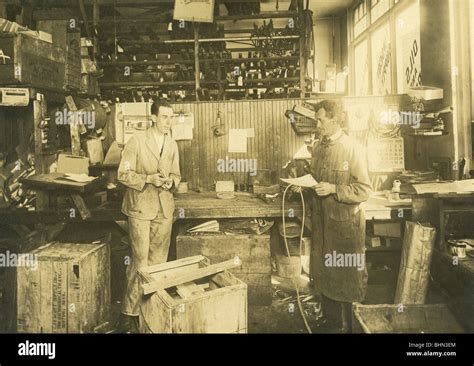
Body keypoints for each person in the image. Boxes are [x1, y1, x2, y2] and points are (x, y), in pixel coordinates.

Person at [117, 99, 181, 332]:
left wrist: (170, 182)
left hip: (164, 208)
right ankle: (128, 314)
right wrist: (148, 179)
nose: (168, 121)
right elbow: (123, 174)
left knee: (158, 263)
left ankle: (149, 312)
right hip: (141, 208)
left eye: (171, 117)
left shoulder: (172, 144)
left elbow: (177, 175)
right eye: (164, 117)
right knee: (140, 262)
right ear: (153, 118)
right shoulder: (136, 141)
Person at [309, 100, 371, 332]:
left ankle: (350, 326)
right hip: (322, 224)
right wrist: (303, 185)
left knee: (346, 276)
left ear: (335, 119)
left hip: (345, 227)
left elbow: (364, 189)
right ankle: (331, 321)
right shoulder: (319, 148)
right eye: (316, 120)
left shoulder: (352, 148)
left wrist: (334, 189)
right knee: (325, 273)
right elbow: (316, 181)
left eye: (320, 120)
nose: (317, 125)